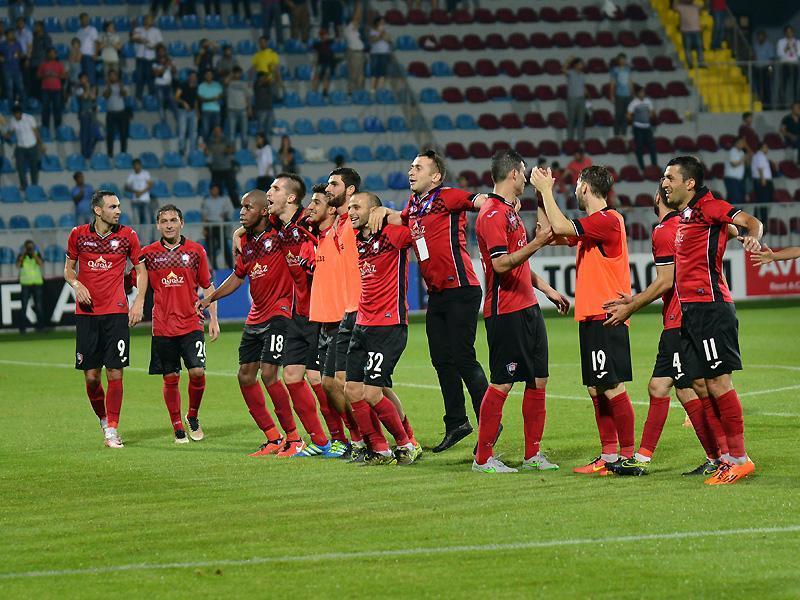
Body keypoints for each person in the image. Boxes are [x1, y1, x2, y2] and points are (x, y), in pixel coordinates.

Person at [602, 186, 731, 476]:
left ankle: (723, 456)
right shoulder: (686, 225)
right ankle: (646, 458)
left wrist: (632, 305)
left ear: (658, 198)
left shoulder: (664, 230)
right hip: (686, 317)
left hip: (678, 320)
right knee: (662, 386)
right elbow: (729, 231)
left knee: (691, 388)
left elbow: (665, 281)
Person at [366, 151, 489, 452]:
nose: (411, 171)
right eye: (411, 167)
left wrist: (498, 204)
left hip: (461, 288)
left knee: (463, 357)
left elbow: (480, 201)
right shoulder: (415, 205)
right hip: (438, 294)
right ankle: (457, 423)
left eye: (418, 168)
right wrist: (381, 211)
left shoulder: (448, 196)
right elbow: (401, 218)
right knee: (441, 360)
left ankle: (489, 422)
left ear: (435, 176)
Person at [660, 155, 763, 484]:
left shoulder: (710, 206)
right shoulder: (688, 214)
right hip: (691, 311)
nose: (664, 183)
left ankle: (740, 459)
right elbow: (726, 230)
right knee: (699, 384)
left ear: (689, 183)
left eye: (670, 178)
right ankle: (725, 457)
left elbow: (749, 221)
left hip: (711, 308)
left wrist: (752, 235)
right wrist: (728, 234)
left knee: (719, 382)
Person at [534, 165, 638, 476]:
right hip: (592, 315)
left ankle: (628, 456)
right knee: (596, 387)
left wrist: (548, 191)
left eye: (577, 185)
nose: (574, 191)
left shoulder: (608, 220)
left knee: (611, 385)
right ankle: (608, 456)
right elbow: (548, 232)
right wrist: (540, 196)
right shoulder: (593, 226)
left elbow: (561, 226)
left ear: (585, 188)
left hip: (607, 315)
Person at [472, 150, 568, 474]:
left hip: (528, 307)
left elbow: (520, 262)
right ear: (513, 173)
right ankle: (483, 458)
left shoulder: (510, 211)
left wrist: (547, 289)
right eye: (524, 173)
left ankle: (532, 454)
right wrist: (538, 243)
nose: (526, 178)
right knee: (502, 382)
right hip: (505, 311)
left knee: (538, 380)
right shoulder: (491, 214)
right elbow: (501, 264)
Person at [197, 189, 296, 456]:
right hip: (256, 315)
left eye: (248, 207)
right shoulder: (246, 241)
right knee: (244, 375)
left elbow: (290, 214)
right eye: (241, 207)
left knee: (269, 374)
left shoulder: (279, 232)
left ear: (264, 211)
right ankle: (273, 438)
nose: (242, 212)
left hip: (279, 312)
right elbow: (238, 276)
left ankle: (294, 438)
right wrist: (210, 298)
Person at [265, 173, 345, 457]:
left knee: (318, 379)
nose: (269, 193)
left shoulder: (309, 222)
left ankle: (343, 438)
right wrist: (240, 233)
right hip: (298, 312)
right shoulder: (280, 224)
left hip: (319, 312)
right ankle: (320, 441)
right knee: (291, 376)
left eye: (275, 189)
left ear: (290, 197)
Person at [341, 190, 422, 466]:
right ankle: (380, 449)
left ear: (373, 210)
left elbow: (421, 234)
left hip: (388, 324)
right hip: (362, 324)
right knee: (352, 389)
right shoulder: (357, 238)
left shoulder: (393, 234)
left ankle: (406, 444)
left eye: (356, 207)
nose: (351, 212)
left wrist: (391, 213)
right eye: (350, 207)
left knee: (373, 392)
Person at [64, 189, 147, 449]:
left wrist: (139, 302)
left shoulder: (128, 235)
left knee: (114, 372)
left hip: (116, 312)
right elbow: (68, 270)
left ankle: (112, 428)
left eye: (119, 206)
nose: (118, 210)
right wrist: (77, 284)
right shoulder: (78, 235)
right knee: (91, 377)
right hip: (87, 314)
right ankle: (103, 418)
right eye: (112, 207)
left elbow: (141, 271)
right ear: (98, 210)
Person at [140, 204, 219, 443]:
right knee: (170, 377)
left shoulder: (196, 251)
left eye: (173, 220)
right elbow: (138, 281)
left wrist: (214, 319)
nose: (169, 225)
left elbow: (208, 286)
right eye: (164, 221)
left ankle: (192, 415)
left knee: (197, 372)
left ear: (181, 223)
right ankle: (177, 425)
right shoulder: (148, 254)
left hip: (191, 322)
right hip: (163, 325)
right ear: (157, 225)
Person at [307, 175, 365, 459]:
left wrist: (383, 211)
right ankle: (356, 439)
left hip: (351, 314)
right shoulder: (326, 232)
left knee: (364, 386)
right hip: (328, 319)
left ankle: (390, 439)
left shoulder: (350, 224)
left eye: (333, 186)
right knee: (331, 384)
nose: (311, 206)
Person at [5, 103, 42, 191]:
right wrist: (6, 135)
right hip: (20, 148)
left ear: (21, 113)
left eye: (17, 114)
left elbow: (36, 132)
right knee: (20, 168)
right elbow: (10, 132)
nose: (16, 116)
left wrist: (41, 145)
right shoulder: (12, 121)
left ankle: (34, 185)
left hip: (32, 146)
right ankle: (24, 185)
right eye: (14, 114)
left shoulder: (30, 118)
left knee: (34, 168)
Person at [16, 239, 46, 334]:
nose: (30, 249)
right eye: (28, 247)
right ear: (25, 247)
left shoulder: (37, 254)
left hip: (37, 283)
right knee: (24, 306)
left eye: (31, 247)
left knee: (39, 306)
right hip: (26, 284)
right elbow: (18, 265)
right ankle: (22, 328)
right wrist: (24, 254)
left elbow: (41, 263)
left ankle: (41, 327)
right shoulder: (21, 255)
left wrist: (34, 254)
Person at [204, 125, 238, 208]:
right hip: (216, 169)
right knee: (218, 190)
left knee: (231, 189)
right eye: (215, 131)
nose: (217, 133)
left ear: (221, 131)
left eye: (218, 131)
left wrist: (228, 150)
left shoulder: (226, 139)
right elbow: (206, 152)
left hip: (227, 168)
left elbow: (233, 149)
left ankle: (237, 207)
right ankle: (220, 208)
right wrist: (205, 150)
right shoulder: (210, 141)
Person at [131, 15, 162, 100]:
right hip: (140, 57)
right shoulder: (138, 29)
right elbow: (133, 39)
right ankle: (138, 97)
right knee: (139, 79)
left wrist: (153, 47)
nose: (149, 21)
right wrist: (142, 40)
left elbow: (159, 43)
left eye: (151, 19)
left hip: (151, 58)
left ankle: (152, 98)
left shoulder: (156, 31)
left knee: (151, 79)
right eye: (148, 19)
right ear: (144, 20)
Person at [628, 86, 658, 171]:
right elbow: (628, 114)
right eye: (641, 92)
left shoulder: (648, 101)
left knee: (652, 147)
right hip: (638, 128)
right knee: (639, 148)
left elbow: (652, 112)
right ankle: (642, 168)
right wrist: (632, 120)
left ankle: (654, 165)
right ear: (637, 93)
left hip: (647, 127)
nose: (643, 93)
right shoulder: (634, 103)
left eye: (643, 92)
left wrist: (651, 115)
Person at [201, 182, 231, 269]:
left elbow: (227, 212)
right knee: (211, 248)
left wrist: (224, 215)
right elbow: (204, 216)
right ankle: (214, 267)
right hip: (210, 225)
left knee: (224, 246)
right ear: (210, 190)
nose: (215, 191)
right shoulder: (206, 201)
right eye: (213, 189)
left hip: (220, 226)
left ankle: (230, 266)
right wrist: (205, 228)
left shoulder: (223, 200)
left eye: (216, 189)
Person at [37, 47, 65, 132]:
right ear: (48, 54)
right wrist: (46, 75)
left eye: (54, 53)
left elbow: (64, 76)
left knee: (57, 109)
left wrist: (55, 75)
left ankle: (58, 128)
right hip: (45, 89)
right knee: (45, 109)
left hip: (57, 89)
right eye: (51, 53)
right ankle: (45, 128)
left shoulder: (59, 64)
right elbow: (38, 76)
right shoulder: (43, 64)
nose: (53, 54)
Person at [103, 69, 129, 158]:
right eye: (111, 75)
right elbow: (105, 96)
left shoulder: (122, 85)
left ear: (117, 76)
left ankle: (123, 152)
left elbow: (124, 95)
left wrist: (121, 87)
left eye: (114, 75)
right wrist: (108, 87)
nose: (113, 77)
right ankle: (110, 153)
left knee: (123, 134)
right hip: (110, 113)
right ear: (108, 77)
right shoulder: (106, 86)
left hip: (121, 113)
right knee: (110, 134)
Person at [225, 66, 250, 150]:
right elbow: (225, 82)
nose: (237, 74)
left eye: (239, 73)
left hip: (243, 110)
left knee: (244, 134)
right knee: (231, 134)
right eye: (236, 73)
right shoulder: (229, 83)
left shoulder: (244, 83)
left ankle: (244, 152)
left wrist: (249, 108)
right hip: (232, 111)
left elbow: (247, 97)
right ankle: (232, 152)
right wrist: (231, 74)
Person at [674, 0, 704, 69]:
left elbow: (703, 7)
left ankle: (701, 63)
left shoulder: (696, 6)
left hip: (696, 30)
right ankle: (690, 64)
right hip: (686, 31)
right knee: (687, 48)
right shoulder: (681, 7)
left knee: (699, 47)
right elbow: (674, 7)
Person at [175, 70, 199, 156]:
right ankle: (181, 150)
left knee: (194, 132)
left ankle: (192, 151)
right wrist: (184, 103)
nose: (193, 78)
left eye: (194, 77)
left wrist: (197, 111)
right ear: (188, 77)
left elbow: (196, 100)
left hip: (193, 112)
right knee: (182, 131)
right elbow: (176, 97)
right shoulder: (182, 85)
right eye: (191, 76)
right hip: (183, 111)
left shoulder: (196, 87)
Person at [152, 45, 177, 127]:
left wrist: (172, 65)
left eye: (163, 51)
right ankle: (163, 122)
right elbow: (157, 74)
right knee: (161, 104)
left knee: (173, 103)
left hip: (169, 86)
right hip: (159, 86)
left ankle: (178, 119)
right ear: (157, 52)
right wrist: (165, 66)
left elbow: (174, 72)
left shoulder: (169, 60)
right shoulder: (155, 62)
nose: (162, 52)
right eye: (160, 51)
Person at [74, 72, 97, 160]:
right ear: (80, 80)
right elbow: (84, 97)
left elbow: (93, 97)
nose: (85, 80)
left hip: (92, 113)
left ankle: (89, 153)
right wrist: (87, 88)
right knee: (84, 134)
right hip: (83, 114)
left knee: (92, 134)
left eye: (86, 78)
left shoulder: (92, 87)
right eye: (83, 78)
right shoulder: (78, 88)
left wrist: (90, 90)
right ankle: (84, 153)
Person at [0, 29, 26, 106]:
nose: (12, 35)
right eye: (10, 34)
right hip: (7, 70)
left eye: (13, 34)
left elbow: (21, 55)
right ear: (6, 35)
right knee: (9, 89)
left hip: (17, 70)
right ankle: (11, 107)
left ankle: (24, 106)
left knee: (21, 88)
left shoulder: (17, 44)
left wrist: (20, 55)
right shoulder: (2, 45)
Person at [609, 53, 633, 137]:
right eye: (621, 59)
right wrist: (611, 95)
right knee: (618, 115)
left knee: (625, 115)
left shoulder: (628, 69)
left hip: (628, 95)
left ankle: (624, 133)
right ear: (618, 60)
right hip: (619, 95)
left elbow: (630, 82)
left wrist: (632, 93)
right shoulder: (614, 70)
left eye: (624, 59)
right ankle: (616, 133)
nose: (623, 61)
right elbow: (612, 83)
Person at [343, 4, 365, 94]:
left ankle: (352, 91)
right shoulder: (350, 28)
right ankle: (357, 91)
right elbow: (357, 17)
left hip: (352, 52)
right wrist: (359, 4)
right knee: (357, 74)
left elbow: (357, 18)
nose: (357, 23)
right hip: (356, 53)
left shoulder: (348, 29)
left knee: (353, 73)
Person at [27, 21, 51, 100]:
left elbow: (48, 50)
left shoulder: (46, 37)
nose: (35, 28)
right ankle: (34, 99)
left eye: (37, 26)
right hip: (32, 63)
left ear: (41, 27)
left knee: (40, 83)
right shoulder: (32, 36)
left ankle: (41, 100)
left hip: (41, 63)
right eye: (35, 26)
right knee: (33, 82)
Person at [564, 57, 587, 142]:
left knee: (581, 121)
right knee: (571, 120)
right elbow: (563, 69)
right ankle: (570, 140)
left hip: (582, 99)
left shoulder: (583, 75)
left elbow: (583, 87)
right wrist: (568, 60)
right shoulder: (570, 73)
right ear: (576, 65)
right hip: (572, 99)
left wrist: (588, 97)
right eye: (580, 64)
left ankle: (581, 140)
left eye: (582, 64)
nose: (582, 65)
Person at [198, 68, 223, 142]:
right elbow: (201, 99)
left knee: (217, 132)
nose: (209, 76)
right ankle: (205, 146)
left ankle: (216, 147)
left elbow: (221, 95)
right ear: (205, 76)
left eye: (210, 75)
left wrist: (210, 99)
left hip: (216, 111)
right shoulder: (201, 86)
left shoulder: (217, 84)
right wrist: (213, 99)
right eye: (207, 75)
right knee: (205, 130)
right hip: (206, 111)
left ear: (212, 76)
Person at [125, 159, 153, 225]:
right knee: (136, 219)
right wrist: (135, 191)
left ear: (140, 165)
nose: (136, 167)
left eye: (137, 165)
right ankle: (136, 231)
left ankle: (148, 231)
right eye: (135, 165)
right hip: (135, 200)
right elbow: (126, 187)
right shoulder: (131, 176)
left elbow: (150, 185)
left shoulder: (145, 174)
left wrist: (141, 192)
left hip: (145, 199)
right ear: (133, 166)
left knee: (147, 218)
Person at [776, 26, 798, 107]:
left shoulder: (797, 42)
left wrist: (795, 48)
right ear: (785, 33)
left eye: (791, 31)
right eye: (787, 32)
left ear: (793, 32)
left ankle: (796, 104)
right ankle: (781, 104)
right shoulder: (781, 42)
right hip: (785, 65)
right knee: (783, 85)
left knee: (795, 85)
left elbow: (799, 54)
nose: (789, 33)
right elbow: (779, 54)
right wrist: (786, 48)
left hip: (794, 65)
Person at [369, 16, 392, 92]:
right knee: (374, 72)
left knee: (383, 73)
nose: (383, 23)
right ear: (377, 22)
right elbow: (373, 40)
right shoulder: (372, 31)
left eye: (383, 22)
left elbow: (388, 39)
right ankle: (372, 89)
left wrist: (382, 34)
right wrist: (380, 34)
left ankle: (381, 90)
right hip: (375, 54)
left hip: (385, 53)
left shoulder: (387, 31)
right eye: (381, 22)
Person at [753, 30, 775, 109]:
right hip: (757, 69)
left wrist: (770, 70)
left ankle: (768, 106)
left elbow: (771, 59)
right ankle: (760, 105)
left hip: (766, 69)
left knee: (767, 88)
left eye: (761, 36)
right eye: (758, 36)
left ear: (765, 37)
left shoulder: (769, 46)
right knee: (758, 88)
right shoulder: (755, 46)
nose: (760, 38)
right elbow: (754, 56)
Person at [311, 27, 336, 97]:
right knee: (317, 77)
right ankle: (314, 91)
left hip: (329, 63)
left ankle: (325, 91)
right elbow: (315, 54)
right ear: (321, 36)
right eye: (324, 35)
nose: (326, 36)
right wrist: (314, 64)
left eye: (326, 34)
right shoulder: (317, 44)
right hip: (320, 63)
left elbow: (336, 40)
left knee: (327, 77)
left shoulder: (330, 42)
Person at [723, 137, 748, 205]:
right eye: (741, 143)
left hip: (739, 179)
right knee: (735, 198)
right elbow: (733, 164)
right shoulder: (732, 151)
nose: (743, 144)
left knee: (740, 198)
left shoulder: (742, 152)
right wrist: (742, 160)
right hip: (731, 179)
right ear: (736, 143)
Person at [76, 13, 98, 85]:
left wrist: (96, 53)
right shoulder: (79, 31)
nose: (85, 20)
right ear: (80, 20)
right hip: (81, 57)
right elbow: (77, 45)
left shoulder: (92, 29)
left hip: (89, 56)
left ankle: (92, 90)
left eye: (86, 19)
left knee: (90, 76)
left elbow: (96, 42)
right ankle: (85, 90)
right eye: (83, 19)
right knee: (83, 77)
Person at [253, 72, 274, 142]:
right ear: (258, 78)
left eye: (264, 77)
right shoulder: (256, 85)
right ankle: (260, 146)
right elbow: (261, 83)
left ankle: (268, 147)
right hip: (261, 110)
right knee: (260, 131)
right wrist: (268, 80)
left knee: (269, 131)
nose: (264, 79)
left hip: (270, 110)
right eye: (262, 77)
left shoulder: (268, 85)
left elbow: (272, 90)